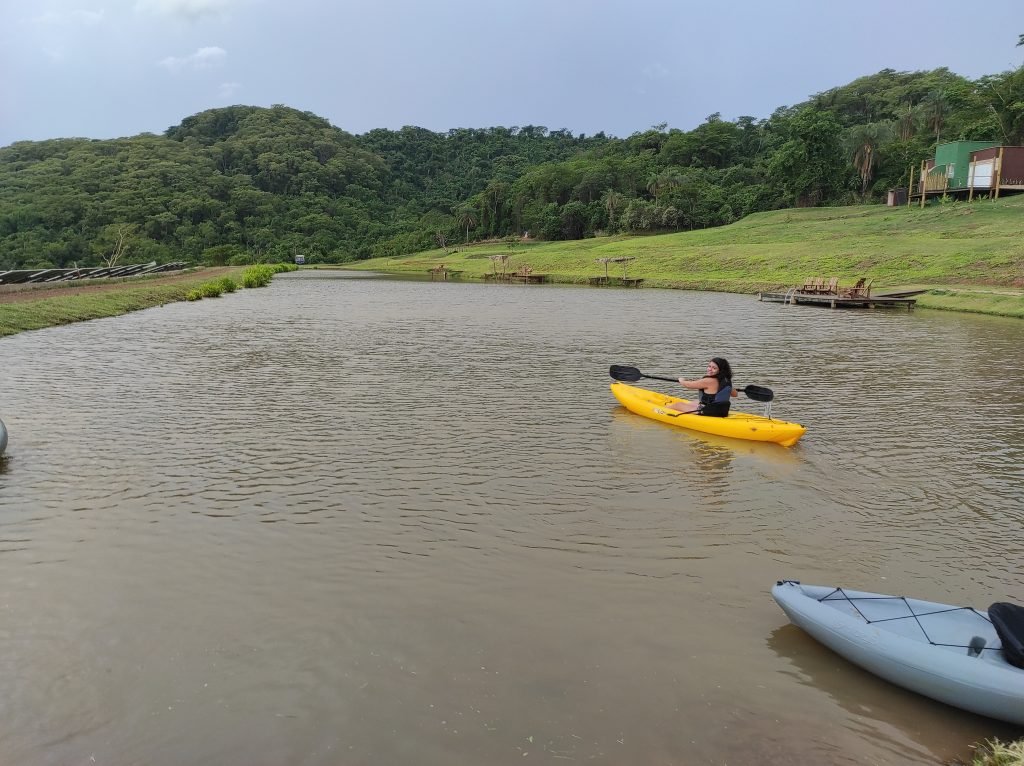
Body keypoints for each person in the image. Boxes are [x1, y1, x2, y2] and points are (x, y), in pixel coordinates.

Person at [666, 357, 738, 416]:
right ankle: (687, 408)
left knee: (679, 405)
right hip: (722, 411)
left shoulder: (708, 380)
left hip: (709, 411)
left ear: (720, 370)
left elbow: (689, 385)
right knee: (696, 402)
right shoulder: (726, 381)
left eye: (714, 368)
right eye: (709, 366)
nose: (710, 369)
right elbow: (735, 394)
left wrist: (681, 380)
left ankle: (663, 409)